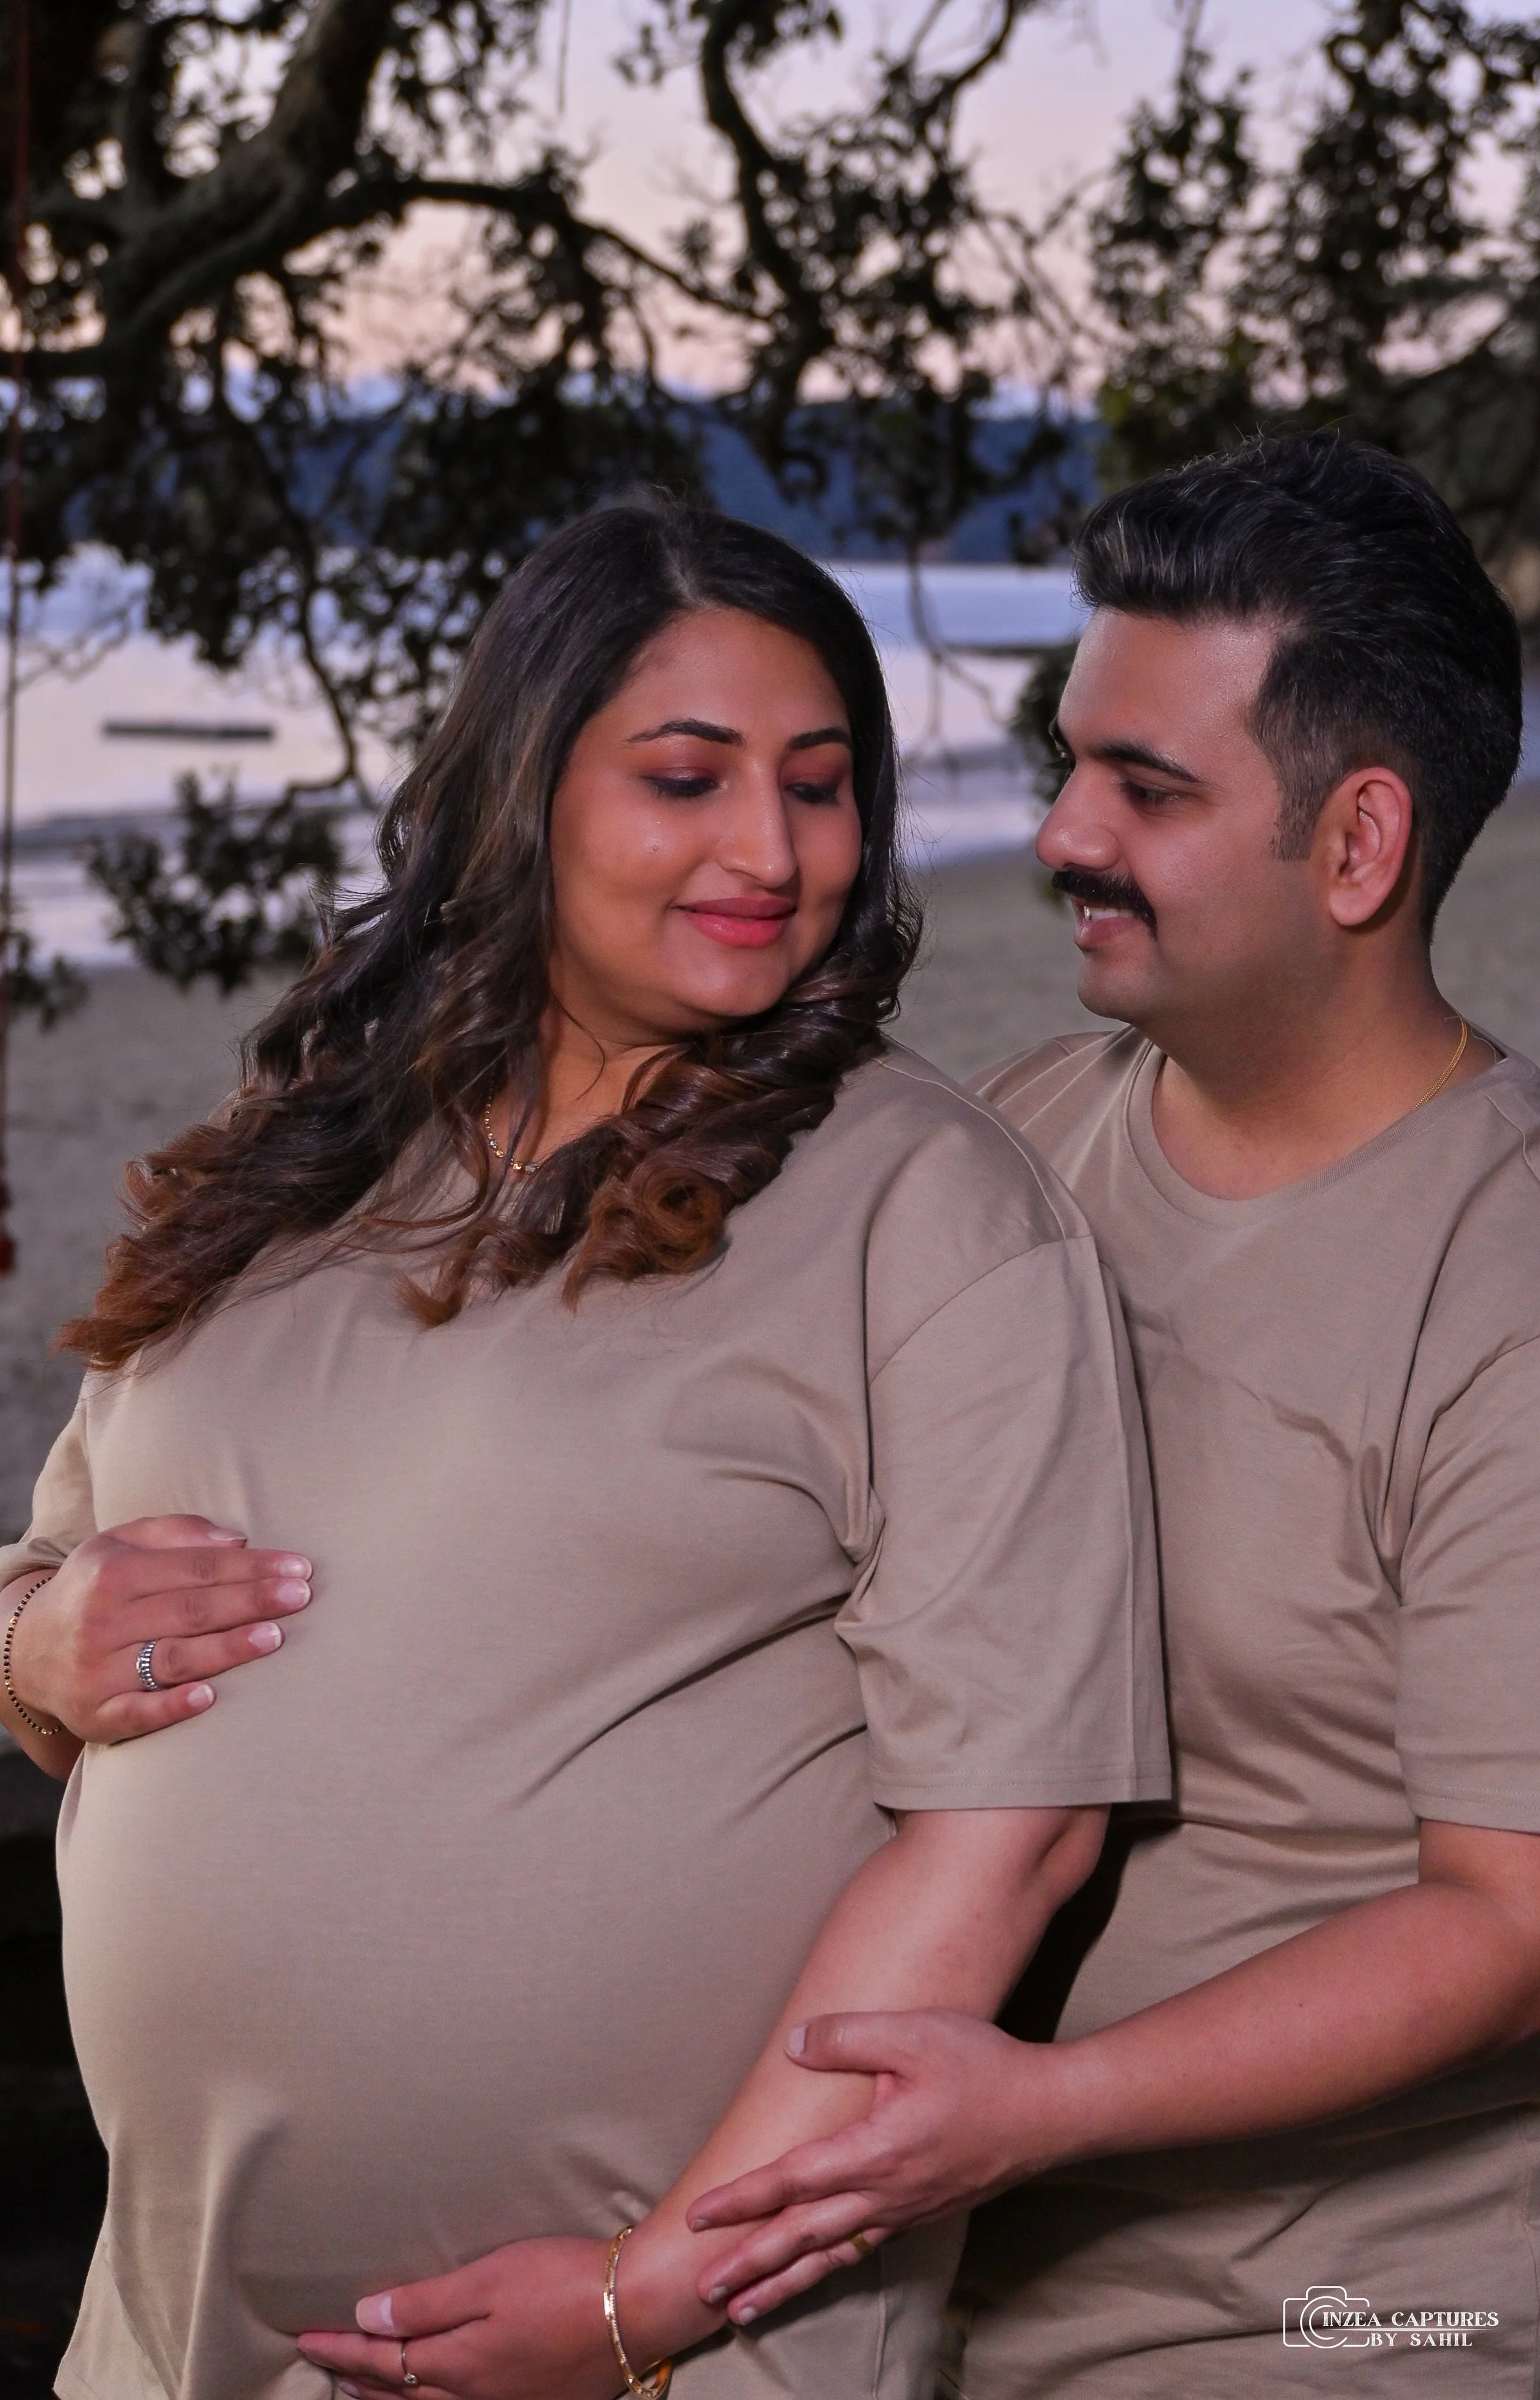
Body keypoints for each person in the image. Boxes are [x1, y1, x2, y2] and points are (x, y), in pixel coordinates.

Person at [0, 503, 1166, 2400]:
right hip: (172, 2330)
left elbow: (1012, 1832)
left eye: (818, 785)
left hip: (667, 2349)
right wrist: (34, 1644)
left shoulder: (923, 1207)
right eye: (686, 779)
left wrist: (653, 2296)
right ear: (520, 793)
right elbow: (56, 1562)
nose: (770, 850)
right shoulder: (296, 1150)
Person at [683, 436, 1540, 2396]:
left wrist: (1044, 2104)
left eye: (1143, 786)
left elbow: (1532, 1921)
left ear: (1356, 845)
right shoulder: (1011, 1141)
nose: (1056, 835)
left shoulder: (1536, 1302)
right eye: (1064, 763)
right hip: (954, 2263)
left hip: (1361, 2313)